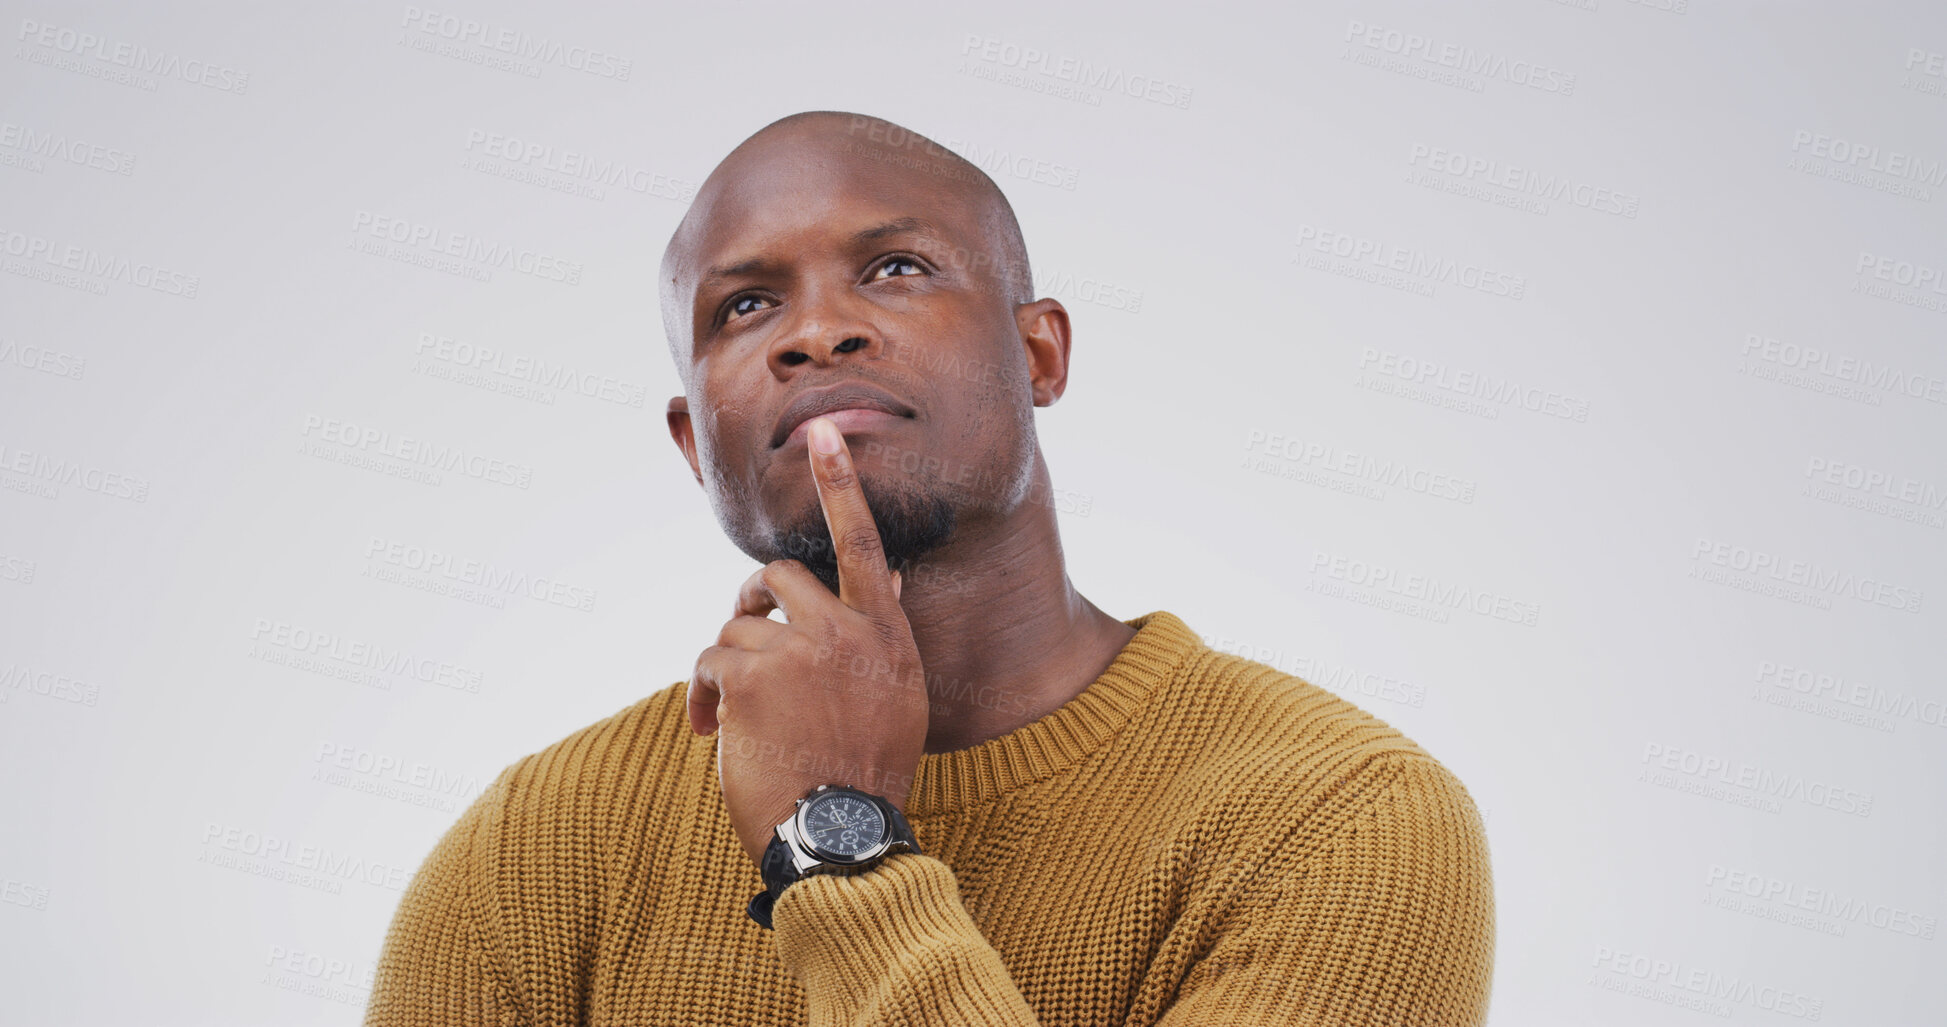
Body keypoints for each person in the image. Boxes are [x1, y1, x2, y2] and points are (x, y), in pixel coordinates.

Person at [364, 110, 1496, 1027]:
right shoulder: (537, 844)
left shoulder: (1342, 820)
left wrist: (834, 835)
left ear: (1041, 351)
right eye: (746, 305)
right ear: (690, 441)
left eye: (896, 268)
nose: (816, 333)